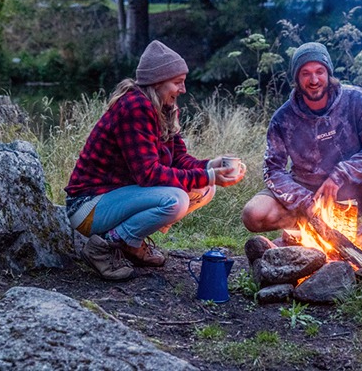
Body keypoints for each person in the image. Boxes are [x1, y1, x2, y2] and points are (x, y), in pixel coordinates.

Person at [65, 40, 246, 280]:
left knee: (205, 188)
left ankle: (130, 242)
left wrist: (210, 166)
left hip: (118, 197)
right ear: (158, 82)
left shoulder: (165, 107)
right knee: (176, 200)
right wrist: (208, 174)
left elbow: (179, 159)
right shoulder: (135, 107)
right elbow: (148, 174)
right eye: (177, 82)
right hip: (89, 206)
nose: (183, 89)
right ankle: (104, 247)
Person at [241, 42, 362, 247]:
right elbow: (273, 170)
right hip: (304, 192)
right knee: (253, 213)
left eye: (320, 71)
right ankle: (302, 231)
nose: (314, 80)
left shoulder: (355, 99)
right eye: (305, 73)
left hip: (351, 190)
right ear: (296, 79)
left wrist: (340, 174)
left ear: (328, 73)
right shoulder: (282, 119)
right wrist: (305, 200)